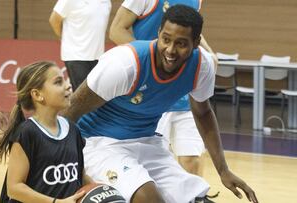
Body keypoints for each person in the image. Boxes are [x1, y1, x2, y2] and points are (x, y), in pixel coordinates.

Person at [62, 5, 258, 203]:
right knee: (149, 198)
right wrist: (58, 160)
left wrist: (223, 170)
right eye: (166, 39)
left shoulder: (202, 65)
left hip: (147, 142)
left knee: (198, 200)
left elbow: (203, 113)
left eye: (181, 44)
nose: (171, 50)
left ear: (196, 42)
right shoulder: (126, 63)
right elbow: (71, 108)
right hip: (99, 143)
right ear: (159, 33)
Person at [109, 0, 217, 176]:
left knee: (192, 158)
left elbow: (191, 29)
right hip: (152, 95)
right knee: (155, 166)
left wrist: (209, 52)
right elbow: (116, 30)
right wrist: (148, 60)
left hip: (184, 91)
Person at [0, 61, 91, 203]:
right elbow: (14, 188)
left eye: (65, 79)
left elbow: (81, 175)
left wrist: (101, 190)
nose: (68, 85)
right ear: (37, 94)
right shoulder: (27, 132)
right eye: (59, 82)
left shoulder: (73, 130)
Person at [49, 0, 112, 91]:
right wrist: (64, 38)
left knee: (95, 96)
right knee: (82, 97)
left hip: (98, 56)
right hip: (76, 55)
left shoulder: (106, 2)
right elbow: (54, 20)